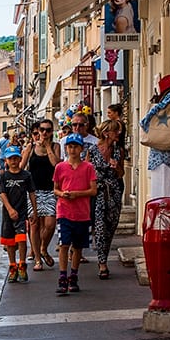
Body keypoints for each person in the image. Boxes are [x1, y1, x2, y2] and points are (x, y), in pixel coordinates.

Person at [53, 133, 97, 296]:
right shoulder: (60, 167)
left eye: (75, 147)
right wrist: (62, 194)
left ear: (81, 149)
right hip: (64, 211)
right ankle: (62, 277)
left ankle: (74, 275)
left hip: (82, 213)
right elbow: (55, 188)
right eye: (70, 147)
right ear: (66, 148)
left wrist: (77, 194)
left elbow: (93, 190)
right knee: (64, 244)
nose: (72, 150)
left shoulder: (88, 167)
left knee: (78, 247)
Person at [22, 118, 59, 271]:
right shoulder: (31, 147)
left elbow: (56, 165)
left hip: (50, 190)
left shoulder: (55, 146)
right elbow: (22, 166)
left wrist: (48, 147)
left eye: (48, 130)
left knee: (50, 224)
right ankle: (38, 258)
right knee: (34, 225)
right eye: (42, 130)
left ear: (51, 132)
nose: (44, 133)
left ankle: (43, 248)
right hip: (33, 191)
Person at [90, 122, 124, 279]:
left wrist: (117, 167)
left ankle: (104, 255)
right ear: (106, 133)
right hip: (98, 192)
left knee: (111, 226)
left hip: (114, 192)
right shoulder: (93, 150)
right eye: (115, 131)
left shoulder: (118, 150)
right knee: (99, 226)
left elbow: (121, 174)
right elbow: (87, 171)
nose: (118, 133)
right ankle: (102, 262)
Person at [141, 77, 170, 199]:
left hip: (161, 155)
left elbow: (159, 107)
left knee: (160, 190)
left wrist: (145, 121)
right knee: (168, 190)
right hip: (169, 154)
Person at [0, 146, 33, 283]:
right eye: (10, 159)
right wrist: (10, 209)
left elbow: (32, 193)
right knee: (10, 242)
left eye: (16, 158)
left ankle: (22, 265)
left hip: (22, 212)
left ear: (20, 159)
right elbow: (2, 193)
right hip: (8, 215)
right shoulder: (4, 176)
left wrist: (34, 211)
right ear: (6, 160)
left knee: (21, 239)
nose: (13, 161)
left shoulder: (26, 175)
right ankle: (12, 267)